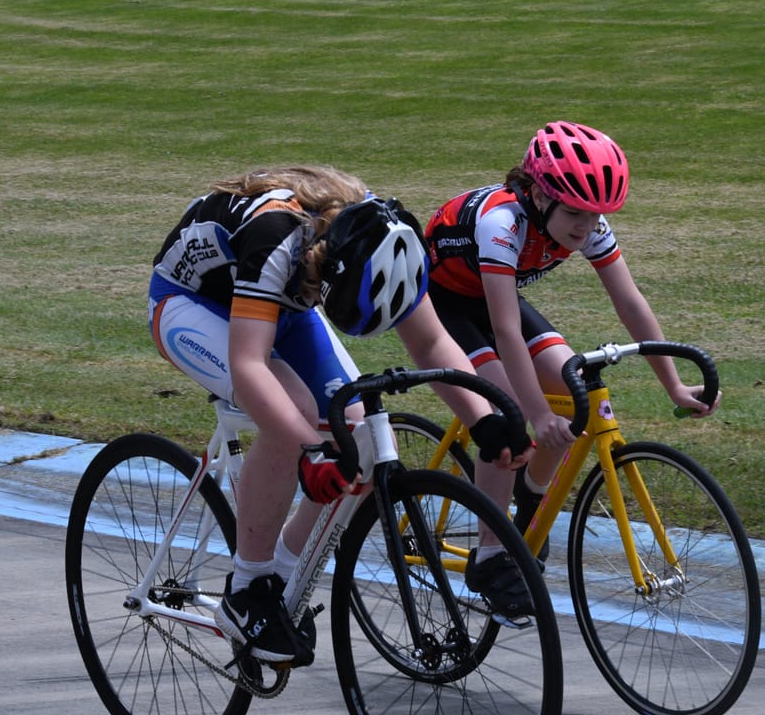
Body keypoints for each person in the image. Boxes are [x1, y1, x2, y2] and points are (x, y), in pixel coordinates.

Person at [149, 166, 530, 664]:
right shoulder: (277, 239)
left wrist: (485, 419)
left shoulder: (386, 242)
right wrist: (309, 450)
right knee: (296, 417)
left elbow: (433, 341)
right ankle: (246, 591)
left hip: (284, 302)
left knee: (363, 437)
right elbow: (248, 366)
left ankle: (281, 580)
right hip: (191, 303)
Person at [422, 121, 716, 611]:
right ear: (539, 194)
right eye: (576, 213)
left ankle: (529, 504)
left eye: (596, 214)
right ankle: (491, 556)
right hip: (440, 302)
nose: (587, 225)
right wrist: (534, 415)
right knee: (508, 416)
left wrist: (674, 384)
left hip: (490, 297)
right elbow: (506, 330)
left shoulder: (587, 223)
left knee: (574, 387)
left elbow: (630, 302)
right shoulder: (503, 223)